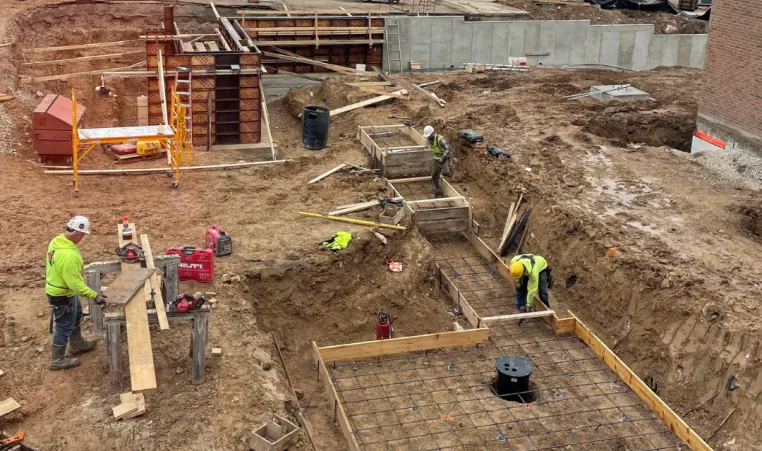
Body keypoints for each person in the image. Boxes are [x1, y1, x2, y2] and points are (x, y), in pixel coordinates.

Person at [45, 216, 107, 370]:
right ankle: (57, 360)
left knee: (77, 312)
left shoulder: (57, 241)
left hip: (62, 288)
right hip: (61, 294)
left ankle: (77, 343)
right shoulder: (69, 256)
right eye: (83, 235)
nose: (83, 238)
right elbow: (76, 284)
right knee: (64, 325)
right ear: (78, 234)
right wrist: (94, 295)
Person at [423, 125, 453, 198]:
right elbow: (428, 144)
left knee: (445, 172)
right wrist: (425, 147)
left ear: (433, 133)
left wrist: (442, 158)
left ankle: (451, 172)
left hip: (445, 158)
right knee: (434, 175)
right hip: (436, 159)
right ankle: (436, 191)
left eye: (429, 135)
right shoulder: (429, 139)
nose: (428, 137)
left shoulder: (440, 139)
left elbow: (448, 149)